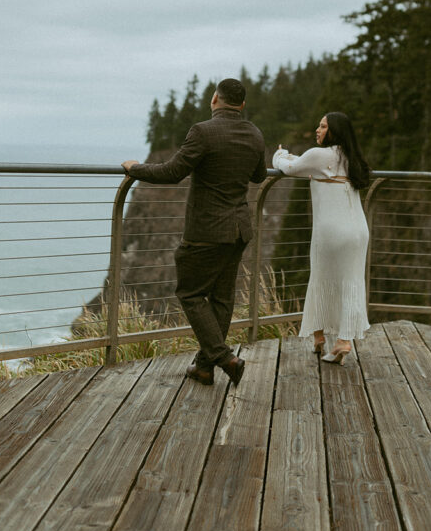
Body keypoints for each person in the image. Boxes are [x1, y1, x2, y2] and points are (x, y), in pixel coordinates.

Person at [122, 78, 266, 387]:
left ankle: (224, 357)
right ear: (241, 105)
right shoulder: (254, 133)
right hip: (239, 229)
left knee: (190, 292)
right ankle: (204, 367)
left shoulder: (203, 131)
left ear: (215, 99)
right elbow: (258, 175)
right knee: (222, 299)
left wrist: (135, 168)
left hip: (206, 230)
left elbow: (172, 172)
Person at [272, 112, 370, 364]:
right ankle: (331, 339)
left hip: (330, 232)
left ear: (333, 131)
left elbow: (289, 167)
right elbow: (310, 164)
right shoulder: (351, 157)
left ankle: (336, 340)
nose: (317, 129)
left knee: (320, 278)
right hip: (358, 230)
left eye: (323, 126)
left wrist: (279, 154)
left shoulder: (319, 156)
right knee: (351, 282)